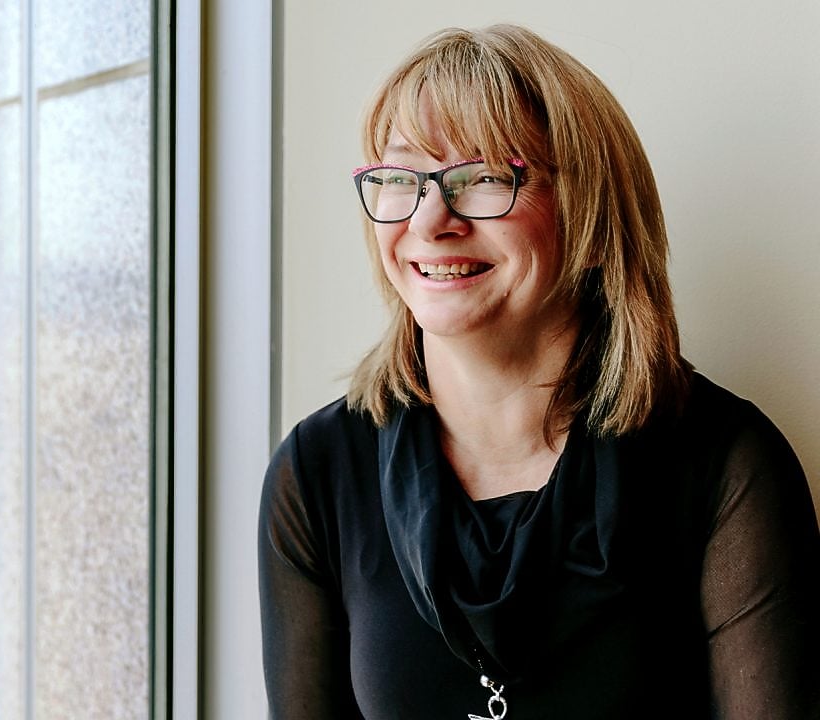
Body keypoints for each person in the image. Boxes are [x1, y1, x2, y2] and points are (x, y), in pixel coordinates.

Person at [258, 24, 820, 720]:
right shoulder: (315, 475)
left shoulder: (726, 464)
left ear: (591, 217)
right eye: (402, 178)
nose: (431, 219)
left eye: (485, 177)